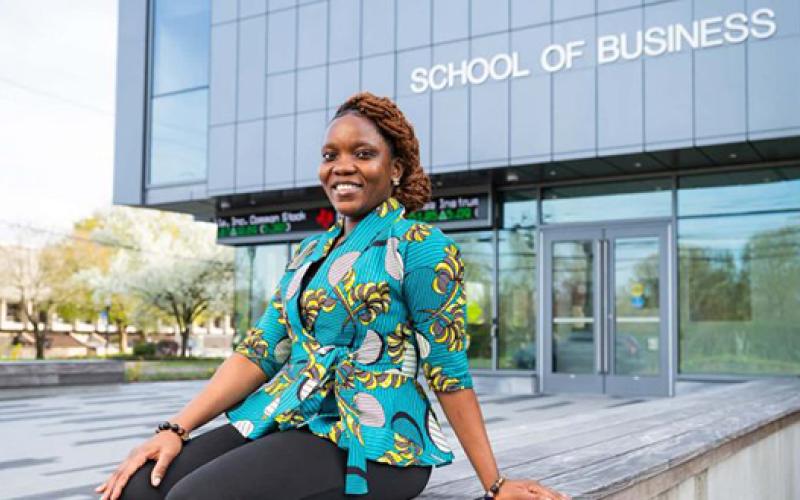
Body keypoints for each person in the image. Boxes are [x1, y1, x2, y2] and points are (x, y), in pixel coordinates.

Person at [97, 92, 569, 500]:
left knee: (194, 497)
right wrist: (175, 430)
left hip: (377, 445)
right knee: (140, 488)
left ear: (396, 168)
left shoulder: (421, 248)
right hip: (297, 416)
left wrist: (495, 483)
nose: (342, 167)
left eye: (363, 154)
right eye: (330, 155)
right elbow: (262, 350)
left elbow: (449, 372)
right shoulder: (310, 251)